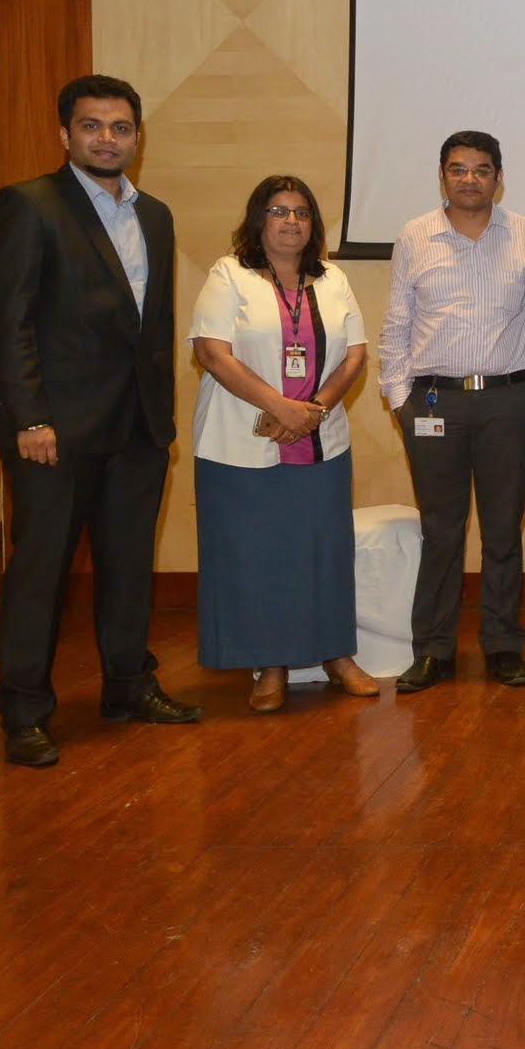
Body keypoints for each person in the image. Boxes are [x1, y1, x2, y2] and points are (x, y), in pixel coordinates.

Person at [0, 74, 200, 767]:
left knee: (129, 566)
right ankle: (23, 711)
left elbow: (152, 326)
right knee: (40, 575)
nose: (107, 139)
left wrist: (161, 420)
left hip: (137, 428)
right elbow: (8, 319)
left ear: (137, 137)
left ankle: (128, 685)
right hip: (53, 431)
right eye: (92, 125)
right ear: (65, 134)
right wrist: (30, 418)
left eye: (120, 127)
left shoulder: (154, 215)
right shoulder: (29, 205)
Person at [189, 176, 379, 712]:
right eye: (278, 211)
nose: (291, 221)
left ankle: (336, 655)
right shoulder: (229, 273)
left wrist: (312, 409)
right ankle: (270, 666)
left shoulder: (334, 279)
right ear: (258, 220)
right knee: (258, 555)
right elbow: (212, 352)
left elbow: (355, 354)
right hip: (241, 444)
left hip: (321, 441)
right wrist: (281, 407)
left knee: (323, 550)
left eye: (301, 212)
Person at [379, 130, 525, 693]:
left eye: (481, 169)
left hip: (508, 400)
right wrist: (400, 401)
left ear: (498, 177)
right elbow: (396, 325)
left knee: (503, 532)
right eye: (458, 169)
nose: (469, 179)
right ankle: (434, 650)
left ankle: (502, 645)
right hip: (435, 402)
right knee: (441, 531)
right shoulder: (414, 235)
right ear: (442, 175)